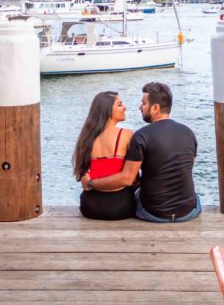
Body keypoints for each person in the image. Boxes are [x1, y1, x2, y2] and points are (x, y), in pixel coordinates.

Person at [82, 81, 201, 223]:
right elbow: (186, 169)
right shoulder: (189, 133)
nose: (140, 107)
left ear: (155, 108)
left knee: (138, 193)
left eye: (143, 103)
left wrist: (92, 184)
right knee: (196, 197)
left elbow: (128, 178)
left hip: (153, 213)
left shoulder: (141, 136)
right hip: (187, 212)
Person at [73, 91, 136, 220]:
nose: (125, 107)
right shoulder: (127, 135)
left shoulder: (85, 139)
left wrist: (93, 183)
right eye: (120, 104)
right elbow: (133, 177)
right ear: (107, 111)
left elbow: (85, 183)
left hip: (90, 207)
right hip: (122, 206)